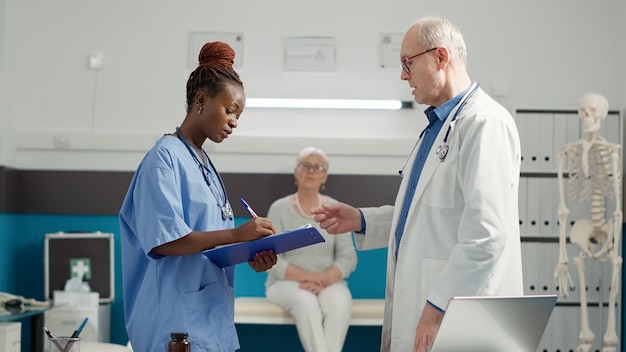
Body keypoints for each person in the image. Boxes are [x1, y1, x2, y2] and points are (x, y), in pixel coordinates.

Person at [312, 16, 523, 352]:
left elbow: (486, 233)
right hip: (433, 305)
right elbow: (427, 215)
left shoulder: (485, 124)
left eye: (407, 63)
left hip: (458, 312)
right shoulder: (438, 128)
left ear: (441, 57)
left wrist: (438, 306)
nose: (402, 75)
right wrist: (363, 220)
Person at [119, 41, 277, 352]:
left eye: (239, 115)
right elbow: (164, 241)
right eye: (230, 110)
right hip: (173, 323)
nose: (234, 121)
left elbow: (209, 244)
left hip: (210, 317)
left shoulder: (202, 161)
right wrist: (236, 233)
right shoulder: (163, 160)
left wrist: (250, 252)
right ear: (201, 100)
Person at [265, 146, 357, 352]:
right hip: (285, 284)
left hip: (328, 282)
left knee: (340, 302)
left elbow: (348, 257)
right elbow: (273, 259)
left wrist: (323, 279)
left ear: (325, 177)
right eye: (305, 165)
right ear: (296, 171)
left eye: (318, 167)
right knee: (305, 302)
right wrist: (307, 276)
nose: (311, 170)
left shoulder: (335, 209)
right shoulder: (279, 208)